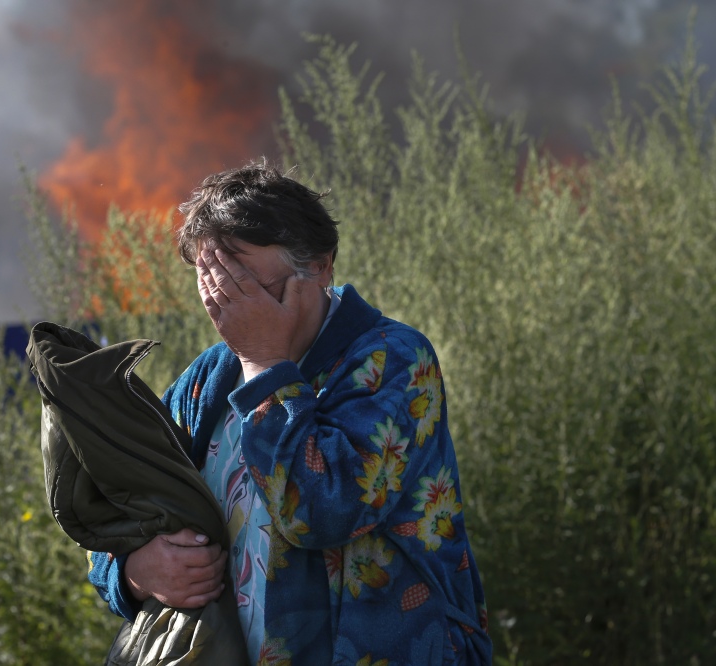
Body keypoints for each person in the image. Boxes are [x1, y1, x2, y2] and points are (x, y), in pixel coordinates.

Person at [88, 161, 492, 665]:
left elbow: (325, 513)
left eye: (245, 279)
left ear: (320, 266)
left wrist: (265, 363)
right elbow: (121, 508)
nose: (224, 300)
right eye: (209, 277)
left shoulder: (393, 359)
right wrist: (133, 570)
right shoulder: (205, 380)